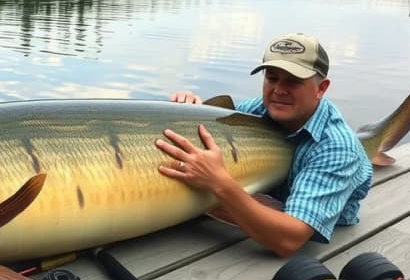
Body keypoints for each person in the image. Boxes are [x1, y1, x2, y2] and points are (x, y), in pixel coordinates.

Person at [156, 33, 372, 257]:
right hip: (259, 205)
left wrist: (218, 182)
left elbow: (289, 240)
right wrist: (190, 113)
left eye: (293, 81)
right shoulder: (256, 111)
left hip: (323, 237)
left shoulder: (337, 146)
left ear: (321, 88)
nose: (279, 90)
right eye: (272, 78)